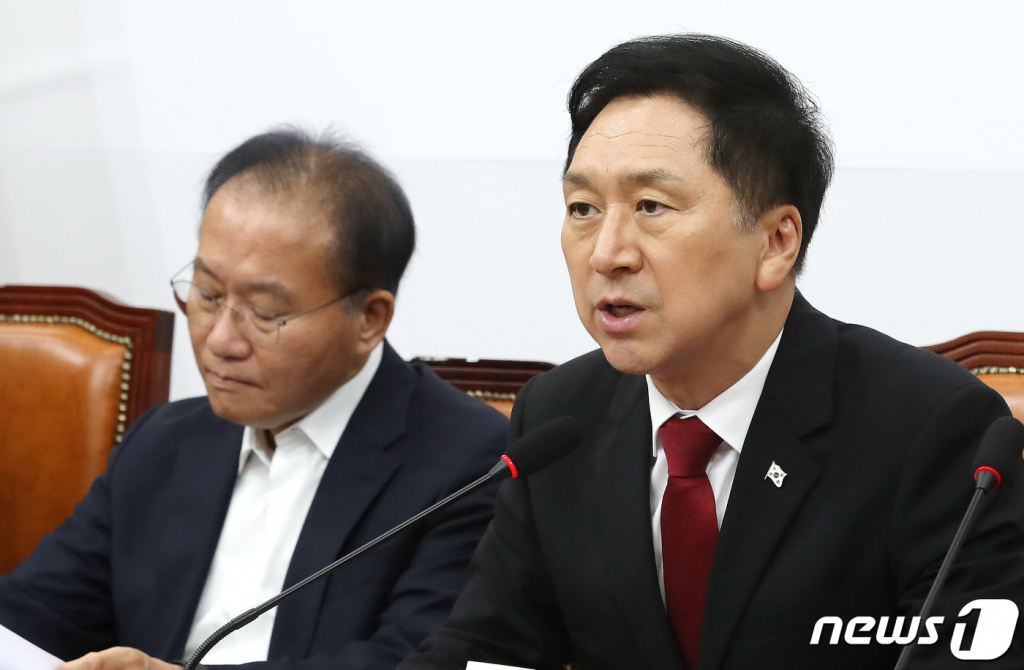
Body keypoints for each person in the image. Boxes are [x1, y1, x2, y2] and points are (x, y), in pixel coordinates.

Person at [397, 35, 1024, 669]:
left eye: (651, 206)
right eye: (582, 208)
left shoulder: (928, 427)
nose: (607, 253)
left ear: (776, 242)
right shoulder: (560, 419)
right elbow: (489, 646)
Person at [0, 129, 509, 670]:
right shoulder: (164, 443)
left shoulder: (471, 465)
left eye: (265, 314)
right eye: (207, 295)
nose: (220, 340)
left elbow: (416, 661)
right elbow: (32, 616)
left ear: (369, 318)